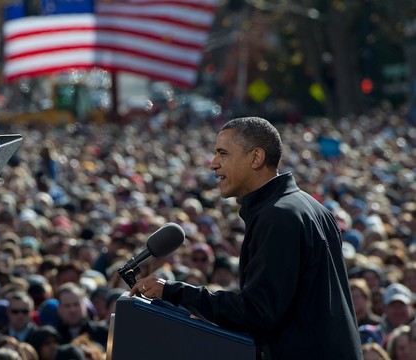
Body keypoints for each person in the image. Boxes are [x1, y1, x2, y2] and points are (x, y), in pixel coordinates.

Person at [130, 117, 362, 359]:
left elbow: (258, 311)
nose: (213, 164)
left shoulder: (278, 215)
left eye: (223, 153)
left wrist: (174, 292)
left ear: (256, 157)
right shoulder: (307, 207)